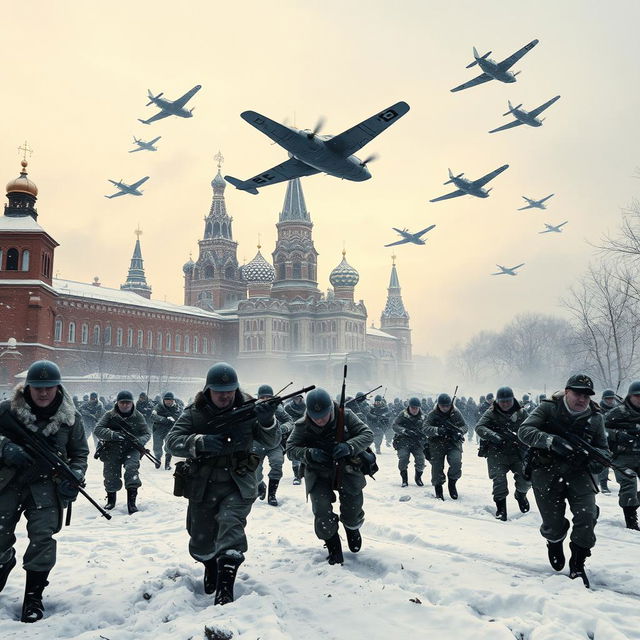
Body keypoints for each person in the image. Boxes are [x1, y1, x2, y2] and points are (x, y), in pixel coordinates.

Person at [165, 363, 279, 605]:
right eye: (219, 391)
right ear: (208, 390)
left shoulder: (249, 410)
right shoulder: (194, 413)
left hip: (239, 484)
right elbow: (171, 442)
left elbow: (272, 440)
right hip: (203, 485)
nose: (225, 395)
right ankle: (210, 565)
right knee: (201, 540)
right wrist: (200, 442)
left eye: (229, 390)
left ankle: (225, 589)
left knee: (230, 525)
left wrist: (268, 420)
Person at [0, 360, 88, 623]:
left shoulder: (70, 418)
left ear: (57, 387)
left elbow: (80, 454)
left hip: (45, 488)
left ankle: (34, 596)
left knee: (42, 539)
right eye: (37, 387)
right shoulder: (7, 411)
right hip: (8, 483)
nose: (43, 393)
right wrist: (5, 448)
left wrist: (75, 477)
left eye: (49, 387)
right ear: (28, 387)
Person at [518, 374, 610, 587]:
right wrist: (550, 441)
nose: (582, 399)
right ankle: (554, 541)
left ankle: (578, 563)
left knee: (587, 516)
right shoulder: (548, 408)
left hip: (580, 475)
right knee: (553, 524)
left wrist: (593, 459)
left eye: (586, 395)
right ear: (567, 392)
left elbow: (604, 451)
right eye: (577, 393)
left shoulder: (596, 418)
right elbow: (524, 431)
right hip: (546, 472)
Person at [286, 388, 373, 565]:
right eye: (315, 416)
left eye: (323, 416)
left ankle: (351, 526)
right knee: (321, 510)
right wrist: (309, 453)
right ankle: (332, 544)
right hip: (318, 473)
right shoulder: (302, 425)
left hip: (346, 468)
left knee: (352, 507)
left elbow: (367, 434)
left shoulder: (346, 416)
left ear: (331, 410)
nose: (319, 420)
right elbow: (290, 450)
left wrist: (349, 446)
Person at [475, 386, 531, 520]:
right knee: (499, 481)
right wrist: (494, 436)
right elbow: (479, 427)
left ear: (513, 399)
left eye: (508, 401)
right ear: (497, 401)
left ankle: (521, 495)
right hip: (497, 452)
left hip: (517, 451)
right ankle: (501, 508)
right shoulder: (491, 412)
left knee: (526, 479)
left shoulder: (522, 413)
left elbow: (532, 426)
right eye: (502, 401)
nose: (505, 404)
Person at [94, 390, 151, 515]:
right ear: (117, 403)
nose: (125, 405)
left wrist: (138, 441)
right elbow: (98, 429)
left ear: (132, 403)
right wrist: (114, 435)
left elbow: (147, 433)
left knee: (132, 470)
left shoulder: (138, 416)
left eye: (128, 402)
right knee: (110, 474)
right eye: (122, 402)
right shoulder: (109, 415)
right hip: (112, 448)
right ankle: (111, 500)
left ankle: (132, 503)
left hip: (132, 448)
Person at [603, 381, 640, 531]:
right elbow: (601, 428)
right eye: (637, 396)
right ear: (630, 396)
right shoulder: (618, 412)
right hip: (622, 456)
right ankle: (631, 519)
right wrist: (618, 434)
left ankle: (633, 501)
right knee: (629, 484)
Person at [253, 384, 293, 506]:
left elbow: (290, 421)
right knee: (254, 470)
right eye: (263, 397)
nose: (265, 399)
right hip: (257, 443)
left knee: (277, 463)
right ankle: (260, 485)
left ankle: (272, 495)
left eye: (268, 397)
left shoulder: (278, 409)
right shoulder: (252, 408)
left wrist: (283, 428)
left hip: (274, 443)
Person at [424, 393, 467, 499]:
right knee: (437, 467)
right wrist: (438, 430)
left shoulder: (456, 413)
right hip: (436, 443)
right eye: (442, 405)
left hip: (453, 443)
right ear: (438, 404)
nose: (445, 408)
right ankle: (438, 488)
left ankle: (452, 484)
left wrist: (459, 432)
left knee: (456, 462)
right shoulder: (432, 414)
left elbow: (465, 426)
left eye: (447, 405)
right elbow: (425, 428)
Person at [392, 397, 428, 487]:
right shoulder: (403, 415)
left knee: (421, 460)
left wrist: (424, 434)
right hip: (403, 440)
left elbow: (428, 427)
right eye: (413, 408)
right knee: (403, 458)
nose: (414, 410)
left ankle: (418, 478)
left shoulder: (423, 417)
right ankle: (404, 479)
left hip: (417, 442)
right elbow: (395, 425)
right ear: (409, 407)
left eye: (416, 408)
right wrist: (404, 431)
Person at [151, 392, 181, 470]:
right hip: (159, 428)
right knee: (157, 446)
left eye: (170, 400)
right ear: (163, 400)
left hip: (170, 429)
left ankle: (167, 463)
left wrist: (172, 418)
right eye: (166, 400)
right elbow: (153, 416)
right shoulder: (158, 407)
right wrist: (164, 419)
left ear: (173, 400)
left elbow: (178, 417)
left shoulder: (177, 407)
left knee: (169, 445)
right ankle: (157, 459)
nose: (168, 401)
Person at [597, 389, 618, 493]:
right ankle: (603, 483)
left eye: (611, 398)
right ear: (603, 399)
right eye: (608, 399)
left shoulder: (618, 410)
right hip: (602, 439)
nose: (610, 401)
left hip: (616, 440)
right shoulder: (598, 410)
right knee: (604, 460)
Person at [284, 394, 306, 484]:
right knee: (295, 453)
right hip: (293, 431)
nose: (298, 399)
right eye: (296, 397)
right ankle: (297, 476)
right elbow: (285, 420)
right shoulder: (287, 407)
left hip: (305, 430)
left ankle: (303, 472)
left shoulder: (307, 406)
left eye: (299, 397)